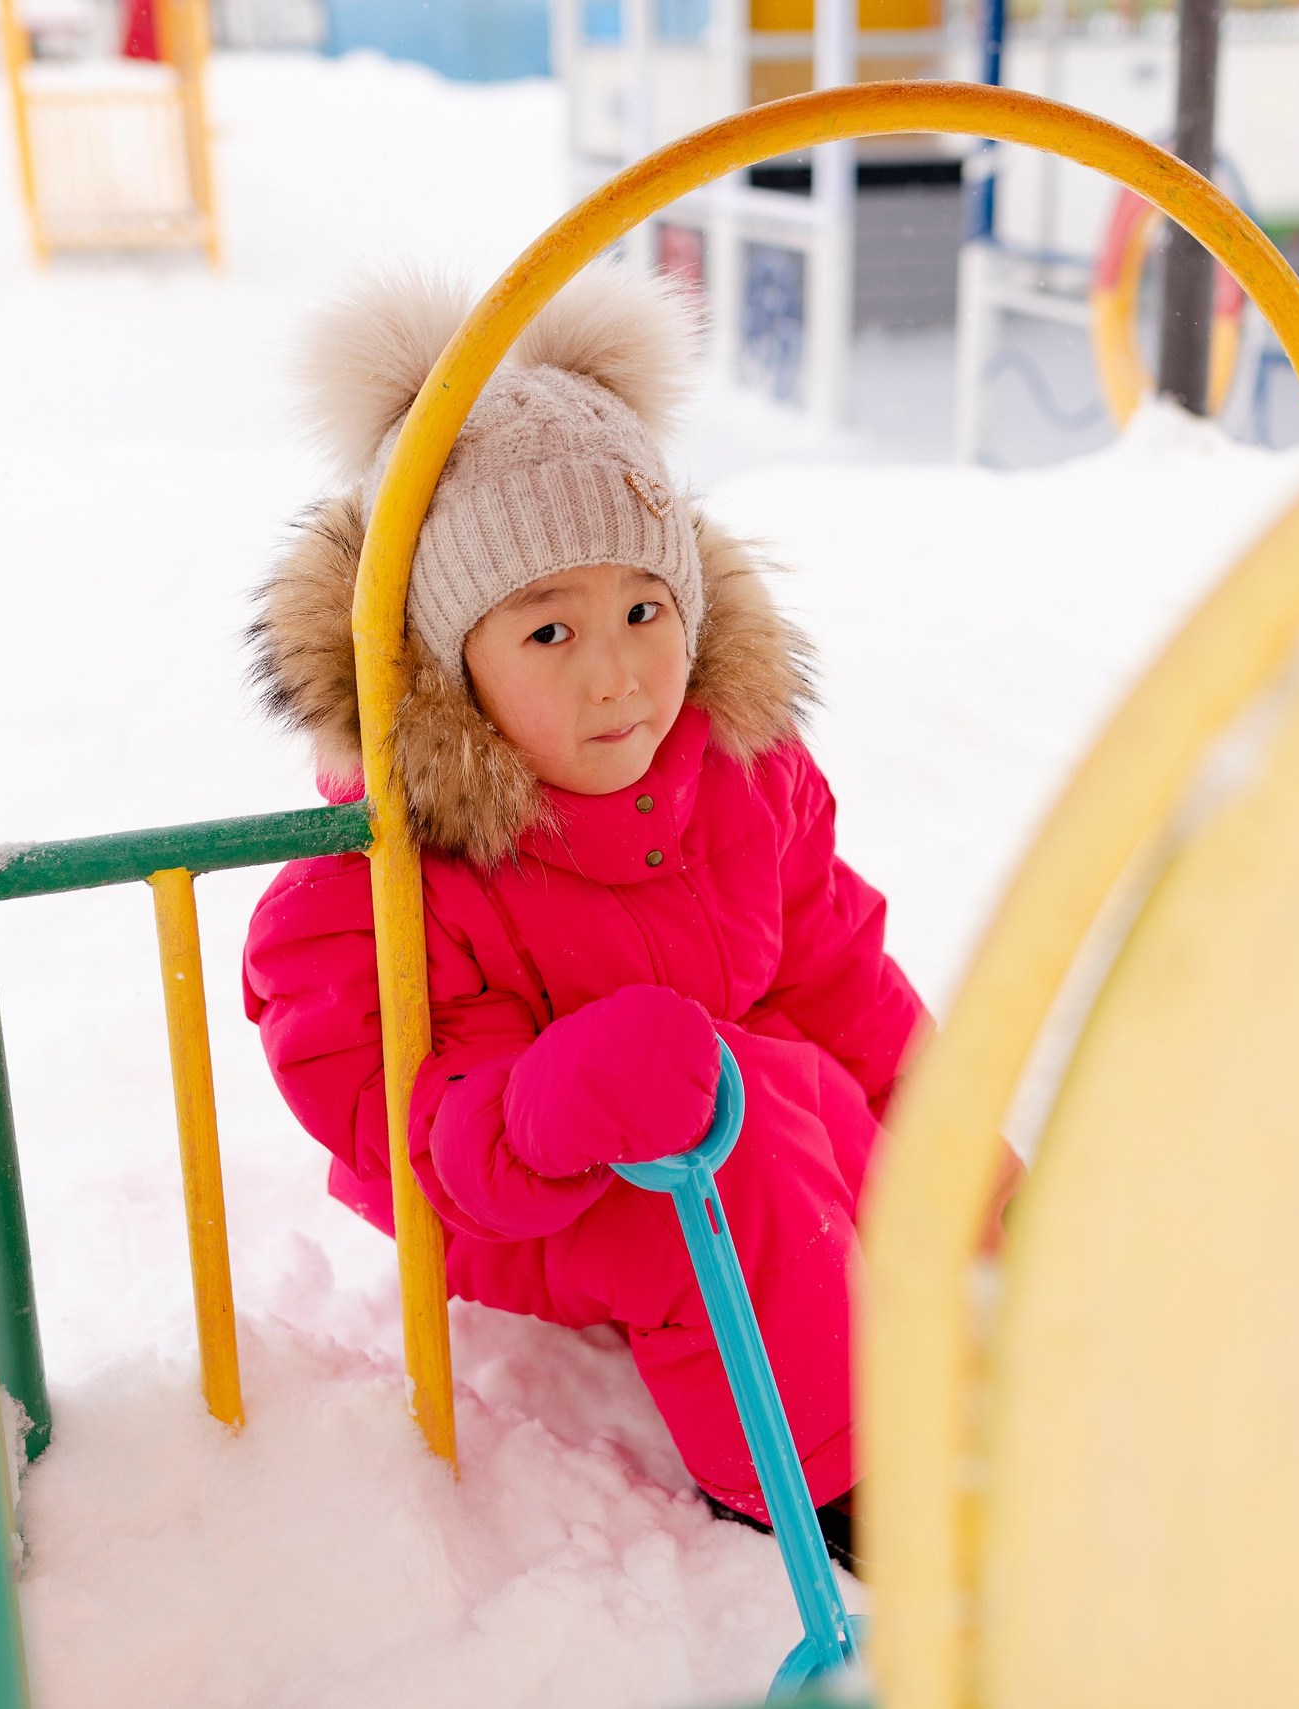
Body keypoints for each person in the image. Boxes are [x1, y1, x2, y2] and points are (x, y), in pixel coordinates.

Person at [241, 264, 952, 1558]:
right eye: (548, 634)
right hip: (517, 1189)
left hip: (719, 1101)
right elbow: (414, 1125)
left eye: (642, 608)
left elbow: (833, 955)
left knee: (825, 1112)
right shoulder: (385, 872)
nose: (620, 671)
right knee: (734, 1189)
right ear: (450, 659)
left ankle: (927, 1336)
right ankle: (829, 1485)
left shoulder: (737, 767)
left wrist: (939, 1118)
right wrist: (569, 1090)